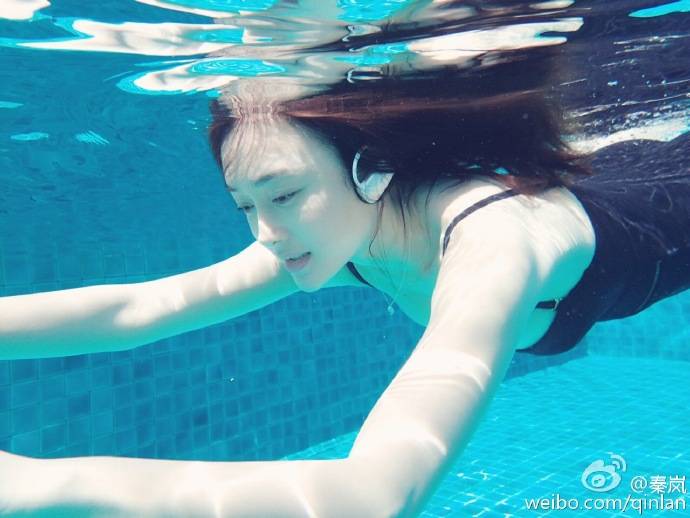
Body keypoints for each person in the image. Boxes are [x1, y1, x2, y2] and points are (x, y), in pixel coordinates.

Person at [2, 58, 690, 517]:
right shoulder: (334, 226)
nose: (266, 232)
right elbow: (142, 308)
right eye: (246, 206)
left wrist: (41, 485)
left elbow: (374, 495)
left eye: (284, 194)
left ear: (371, 168)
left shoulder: (492, 244)